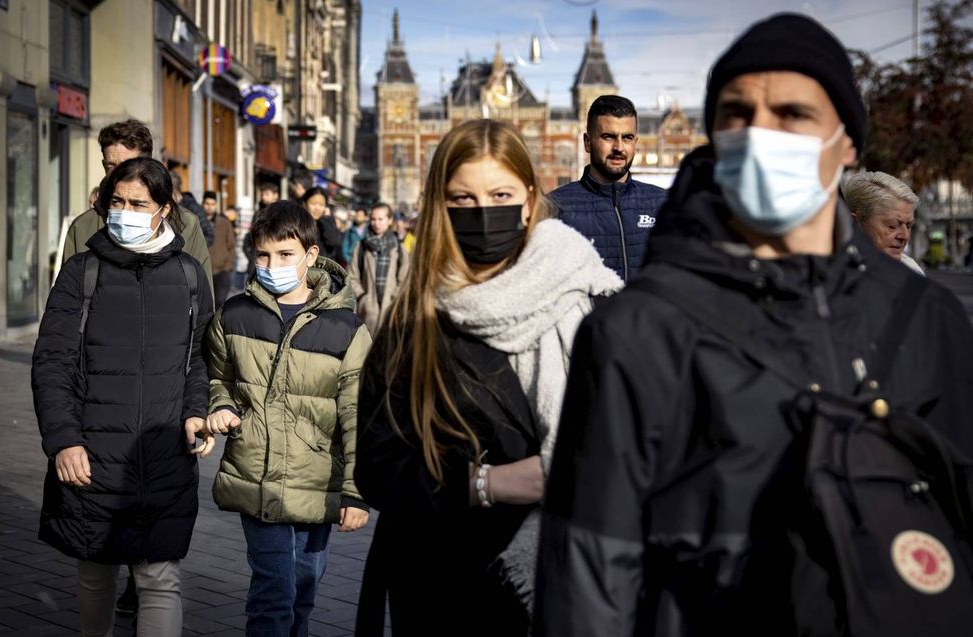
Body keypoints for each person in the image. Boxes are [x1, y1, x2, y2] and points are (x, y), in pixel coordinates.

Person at [535, 14, 973, 637]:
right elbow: (590, 576)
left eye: (794, 115)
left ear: (847, 142)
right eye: (738, 114)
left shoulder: (927, 319)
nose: (762, 135)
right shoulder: (636, 331)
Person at [353, 119, 623, 636]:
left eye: (499, 193)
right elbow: (377, 468)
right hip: (448, 592)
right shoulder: (415, 325)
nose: (483, 213)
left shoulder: (593, 303)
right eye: (462, 199)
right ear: (440, 207)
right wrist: (486, 484)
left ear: (527, 200)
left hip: (572, 585)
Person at [32, 157, 214, 637]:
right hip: (92, 455)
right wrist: (63, 439)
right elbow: (51, 363)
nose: (125, 212)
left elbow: (200, 359)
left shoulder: (191, 276)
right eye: (117, 201)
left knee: (159, 577)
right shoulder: (81, 273)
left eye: (138, 203)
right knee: (95, 572)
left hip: (163, 455)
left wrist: (197, 411)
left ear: (163, 210)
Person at [198, 200, 371, 636]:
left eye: (285, 254)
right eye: (262, 255)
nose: (271, 264)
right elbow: (218, 375)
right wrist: (221, 406)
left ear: (311, 256)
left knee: (304, 588)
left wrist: (356, 492)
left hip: (318, 481)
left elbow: (357, 413)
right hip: (256, 475)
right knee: (273, 591)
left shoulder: (346, 329)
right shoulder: (234, 315)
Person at [57, 120, 212, 289]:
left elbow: (201, 297)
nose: (118, 174)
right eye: (111, 166)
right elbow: (68, 297)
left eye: (128, 165)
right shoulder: (83, 227)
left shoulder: (185, 223)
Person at [549, 95, 667, 282]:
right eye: (608, 137)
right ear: (588, 142)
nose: (619, 147)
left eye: (627, 137)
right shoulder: (555, 207)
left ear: (635, 142)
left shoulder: (663, 204)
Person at [347, 203, 410, 336]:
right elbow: (352, 275)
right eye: (373, 219)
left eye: (381, 219)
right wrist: (363, 297)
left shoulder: (397, 247)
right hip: (367, 311)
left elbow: (405, 276)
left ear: (389, 220)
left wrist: (396, 296)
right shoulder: (362, 246)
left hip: (391, 308)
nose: (376, 223)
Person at [843, 171, 924, 274]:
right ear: (855, 223)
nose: (905, 236)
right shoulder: (828, 278)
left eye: (908, 226)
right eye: (892, 226)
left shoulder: (912, 271)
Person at [205, 190, 236, 307]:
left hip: (222, 271)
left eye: (212, 204)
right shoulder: (198, 222)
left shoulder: (224, 223)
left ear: (216, 205)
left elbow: (231, 245)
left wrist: (228, 266)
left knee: (220, 302)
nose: (209, 207)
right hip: (205, 270)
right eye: (207, 204)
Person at [302, 187, 344, 264]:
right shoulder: (298, 225)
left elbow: (335, 243)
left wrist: (326, 220)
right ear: (304, 204)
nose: (317, 208)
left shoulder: (327, 223)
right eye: (313, 204)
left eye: (321, 204)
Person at [172, 172, 214, 247]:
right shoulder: (167, 207)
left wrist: (189, 247)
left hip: (189, 256)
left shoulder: (194, 209)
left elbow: (209, 236)